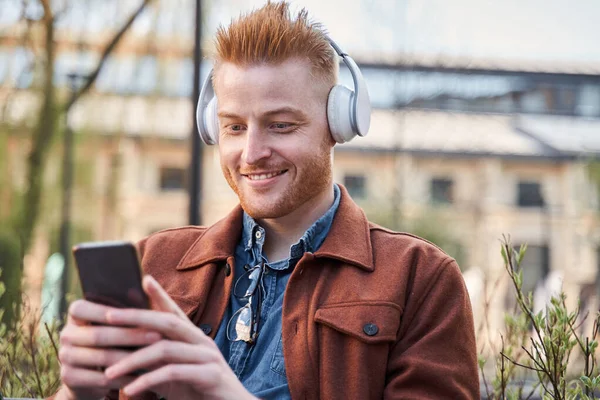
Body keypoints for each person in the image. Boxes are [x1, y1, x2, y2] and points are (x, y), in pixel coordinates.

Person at [50, 2, 479, 399]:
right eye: (234, 127)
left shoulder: (421, 279)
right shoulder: (153, 265)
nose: (252, 153)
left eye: (280, 125)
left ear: (338, 123)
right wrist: (75, 393)